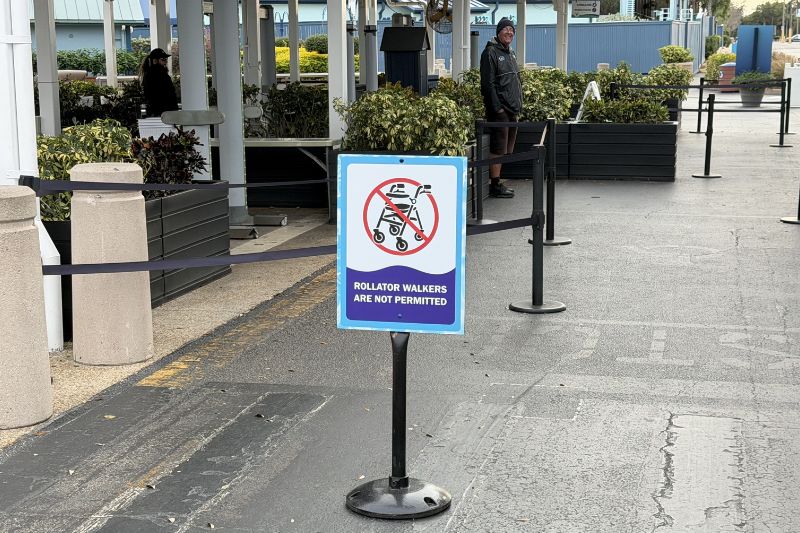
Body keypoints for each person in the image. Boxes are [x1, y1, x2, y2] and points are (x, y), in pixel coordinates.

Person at [479, 18, 522, 199]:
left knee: (506, 147)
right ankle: (495, 184)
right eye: (505, 29)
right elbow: (487, 84)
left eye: (512, 30)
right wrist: (498, 110)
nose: (509, 32)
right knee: (498, 146)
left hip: (511, 109)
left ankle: (498, 181)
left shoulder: (509, 52)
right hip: (500, 111)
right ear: (498, 32)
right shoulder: (490, 52)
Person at [140, 48, 178, 118]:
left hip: (160, 111)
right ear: (155, 60)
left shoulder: (152, 73)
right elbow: (162, 94)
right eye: (163, 59)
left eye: (166, 59)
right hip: (163, 112)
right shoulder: (157, 74)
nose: (165, 62)